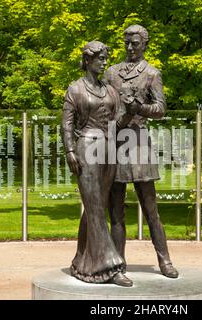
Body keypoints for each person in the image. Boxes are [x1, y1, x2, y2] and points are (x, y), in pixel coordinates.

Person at [104, 25, 179, 278]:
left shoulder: (152, 73)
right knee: (115, 209)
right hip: (115, 142)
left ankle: (164, 260)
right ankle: (117, 263)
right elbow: (104, 106)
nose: (129, 47)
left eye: (135, 43)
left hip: (138, 143)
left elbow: (160, 109)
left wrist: (139, 108)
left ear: (145, 44)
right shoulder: (111, 73)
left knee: (150, 208)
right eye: (126, 42)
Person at [61, 41, 135, 287]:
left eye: (105, 58)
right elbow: (67, 124)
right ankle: (110, 266)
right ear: (87, 60)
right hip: (86, 148)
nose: (105, 62)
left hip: (108, 149)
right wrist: (70, 150)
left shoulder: (110, 90)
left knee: (96, 207)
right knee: (94, 207)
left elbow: (117, 122)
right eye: (100, 58)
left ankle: (82, 262)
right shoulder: (75, 89)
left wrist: (132, 111)